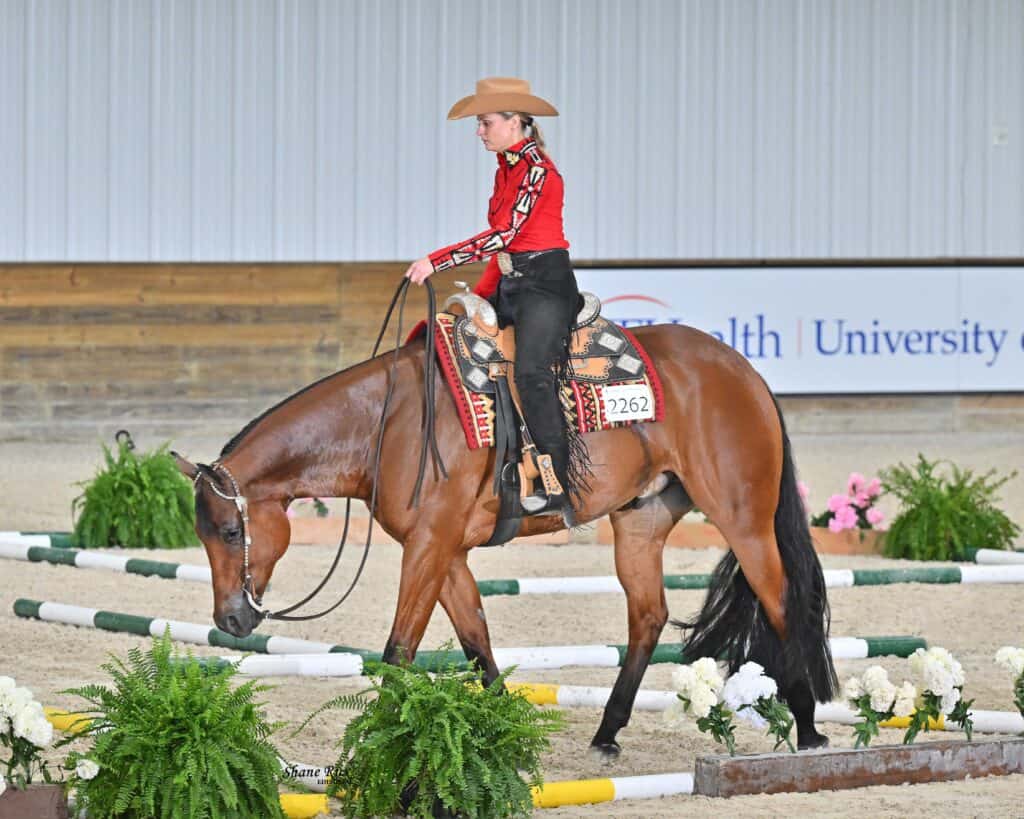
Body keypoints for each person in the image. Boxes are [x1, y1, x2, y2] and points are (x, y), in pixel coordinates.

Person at [405, 77, 587, 525]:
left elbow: (505, 235)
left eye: (485, 122)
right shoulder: (507, 168)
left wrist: (437, 261)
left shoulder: (539, 171)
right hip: (514, 283)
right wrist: (483, 295)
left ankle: (557, 483)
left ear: (514, 122)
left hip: (545, 285)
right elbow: (506, 249)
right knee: (460, 346)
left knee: (531, 373)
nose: (479, 131)